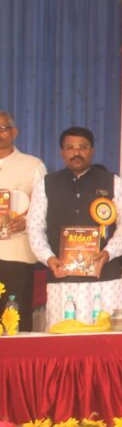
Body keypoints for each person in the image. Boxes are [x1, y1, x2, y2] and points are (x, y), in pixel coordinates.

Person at [26, 127, 122, 327]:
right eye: (70, 148)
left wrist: (108, 253)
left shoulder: (112, 182)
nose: (77, 152)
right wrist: (48, 258)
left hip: (104, 276)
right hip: (62, 276)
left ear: (92, 150)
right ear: (62, 152)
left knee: (106, 336)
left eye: (83, 147)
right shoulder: (46, 184)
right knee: (64, 337)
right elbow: (34, 226)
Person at [0, 111, 46, 331]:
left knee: (15, 320)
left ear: (14, 132)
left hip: (17, 255)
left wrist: (27, 222)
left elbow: (45, 206)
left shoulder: (32, 165)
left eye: (3, 128)